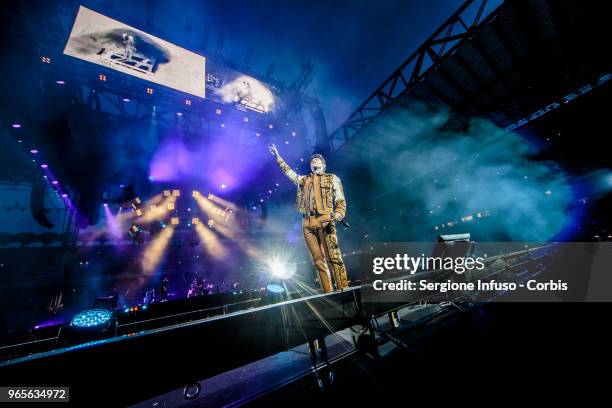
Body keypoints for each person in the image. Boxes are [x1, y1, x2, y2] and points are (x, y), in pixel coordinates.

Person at [268, 144, 348, 292]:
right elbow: (289, 172)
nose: (314, 162)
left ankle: (344, 289)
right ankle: (328, 292)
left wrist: (339, 213)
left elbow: (340, 199)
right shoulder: (303, 180)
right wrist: (278, 157)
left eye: (317, 160)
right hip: (307, 223)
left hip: (325, 220)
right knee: (318, 261)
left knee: (334, 257)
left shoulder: (332, 178)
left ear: (323, 164)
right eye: (312, 161)